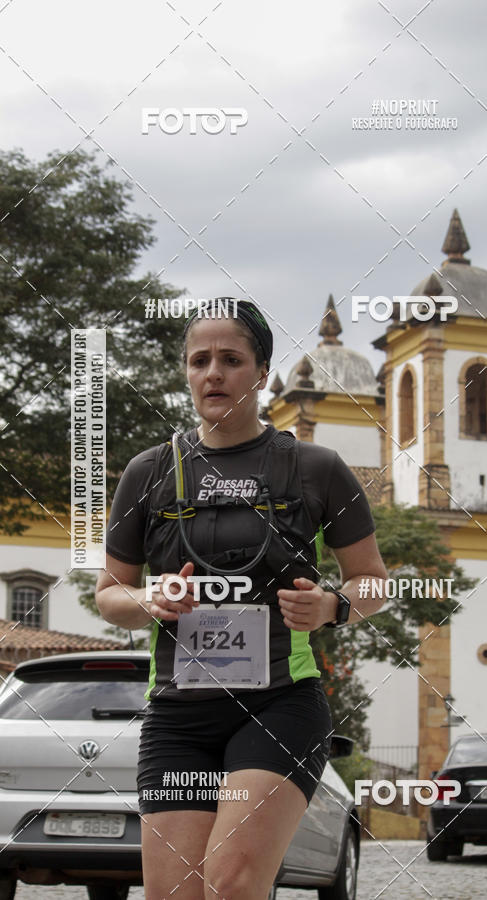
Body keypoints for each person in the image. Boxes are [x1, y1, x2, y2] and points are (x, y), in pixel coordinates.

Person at [95, 298, 387, 900]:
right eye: (200, 360)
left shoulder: (317, 468)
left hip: (279, 705)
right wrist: (151, 597)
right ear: (186, 372)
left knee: (229, 880)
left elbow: (374, 583)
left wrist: (334, 605)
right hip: (179, 715)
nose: (214, 373)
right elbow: (109, 596)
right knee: (175, 893)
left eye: (231, 359)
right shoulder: (147, 474)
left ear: (260, 372)